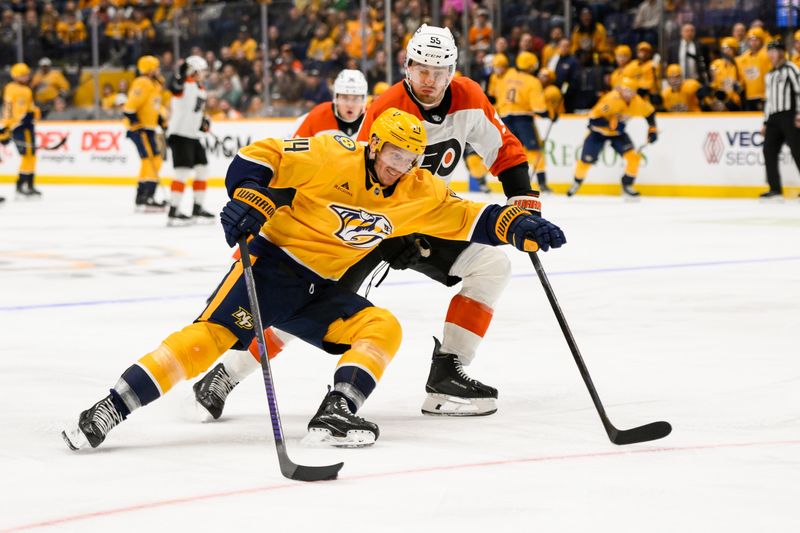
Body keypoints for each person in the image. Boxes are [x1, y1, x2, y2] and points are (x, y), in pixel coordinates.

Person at [61, 108, 566, 451]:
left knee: (382, 328)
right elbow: (260, 156)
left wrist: (515, 224)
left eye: (410, 159)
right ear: (375, 146)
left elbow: (465, 216)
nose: (400, 166)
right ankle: (111, 408)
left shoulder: (419, 189)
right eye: (393, 155)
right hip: (273, 265)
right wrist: (250, 199)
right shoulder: (331, 153)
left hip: (323, 290)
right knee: (209, 337)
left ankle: (335, 414)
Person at [191, 24, 542, 421]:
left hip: (427, 214)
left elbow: (506, 153)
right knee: (313, 299)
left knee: (493, 265)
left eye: (439, 72)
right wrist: (389, 237)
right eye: (421, 70)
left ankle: (447, 374)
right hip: (368, 223)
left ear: (453, 71)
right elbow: (361, 182)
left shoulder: (471, 98)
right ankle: (227, 373)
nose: (429, 81)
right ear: (406, 66)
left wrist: (522, 210)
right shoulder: (388, 106)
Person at [566, 77, 658, 198]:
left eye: (631, 91)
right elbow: (593, 119)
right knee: (586, 161)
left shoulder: (637, 102)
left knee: (633, 157)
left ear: (635, 92)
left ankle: (627, 184)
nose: (627, 94)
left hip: (617, 134)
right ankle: (577, 181)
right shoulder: (610, 99)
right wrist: (610, 124)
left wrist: (652, 129)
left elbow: (650, 113)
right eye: (625, 90)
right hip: (598, 133)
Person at [494, 51, 557, 193]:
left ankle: (513, 184)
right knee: (534, 150)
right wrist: (550, 114)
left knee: (512, 152)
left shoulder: (507, 77)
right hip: (523, 119)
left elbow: (498, 98)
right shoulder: (533, 81)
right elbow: (539, 108)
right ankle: (542, 183)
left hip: (505, 118)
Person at [166, 55, 214, 224]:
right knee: (182, 172)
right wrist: (182, 72)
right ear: (194, 71)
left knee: (203, 169)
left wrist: (203, 122)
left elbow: (195, 111)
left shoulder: (200, 88)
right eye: (202, 70)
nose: (204, 74)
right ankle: (174, 210)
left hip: (192, 135)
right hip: (179, 134)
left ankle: (197, 208)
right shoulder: (185, 85)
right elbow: (174, 87)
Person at [124, 55, 167, 210]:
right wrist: (136, 123)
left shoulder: (154, 84)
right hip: (140, 129)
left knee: (149, 160)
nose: (158, 69)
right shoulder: (143, 82)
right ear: (149, 69)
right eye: (156, 66)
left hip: (148, 128)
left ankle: (142, 197)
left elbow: (153, 106)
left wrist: (161, 120)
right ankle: (147, 197)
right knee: (152, 159)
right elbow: (130, 107)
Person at [760, 40, 800, 199]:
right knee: (768, 150)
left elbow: (799, 91)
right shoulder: (769, 75)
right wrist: (765, 121)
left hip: (790, 115)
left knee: (798, 150)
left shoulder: (791, 69)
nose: (771, 54)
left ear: (782, 52)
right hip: (774, 118)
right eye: (769, 51)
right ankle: (775, 189)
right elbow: (769, 100)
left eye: (774, 50)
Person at [0, 63, 41, 197]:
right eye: (24, 74)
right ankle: (21, 185)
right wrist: (6, 125)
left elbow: (31, 108)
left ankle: (28, 184)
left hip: (28, 126)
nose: (27, 76)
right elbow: (8, 108)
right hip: (18, 127)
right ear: (17, 75)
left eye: (27, 74)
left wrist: (37, 113)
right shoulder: (11, 88)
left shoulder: (27, 90)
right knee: (27, 154)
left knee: (31, 154)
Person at [294, 69, 368, 138]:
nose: (350, 105)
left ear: (364, 99)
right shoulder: (317, 116)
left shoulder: (373, 118)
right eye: (344, 98)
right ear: (336, 97)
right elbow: (294, 149)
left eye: (356, 99)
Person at [736, 28, 771, 111]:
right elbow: (741, 79)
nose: (753, 42)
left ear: (762, 41)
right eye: (751, 40)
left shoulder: (768, 55)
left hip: (765, 96)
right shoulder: (742, 58)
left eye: (756, 39)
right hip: (749, 97)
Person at [709, 38, 744, 111]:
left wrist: (739, 86)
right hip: (720, 100)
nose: (726, 51)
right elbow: (714, 82)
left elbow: (742, 84)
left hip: (735, 101)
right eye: (724, 49)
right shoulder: (716, 64)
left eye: (729, 48)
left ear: (735, 50)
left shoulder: (740, 63)